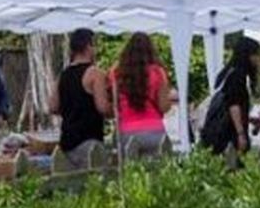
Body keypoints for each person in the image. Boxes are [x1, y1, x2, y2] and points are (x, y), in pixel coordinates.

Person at [49, 29, 112, 168]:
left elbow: (53, 107)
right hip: (89, 140)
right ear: (89, 46)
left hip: (66, 143)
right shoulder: (95, 73)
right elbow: (102, 107)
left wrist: (71, 108)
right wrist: (115, 109)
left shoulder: (63, 75)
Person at [111, 32, 174, 158]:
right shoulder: (158, 72)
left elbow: (114, 104)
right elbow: (163, 107)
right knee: (158, 173)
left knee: (131, 174)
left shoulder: (116, 73)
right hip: (154, 130)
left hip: (127, 131)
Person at [200, 37, 260, 156]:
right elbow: (233, 105)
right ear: (248, 55)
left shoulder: (228, 72)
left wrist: (248, 119)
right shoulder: (238, 75)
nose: (257, 59)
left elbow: (228, 103)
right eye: (256, 54)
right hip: (227, 133)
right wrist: (241, 134)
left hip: (218, 130)